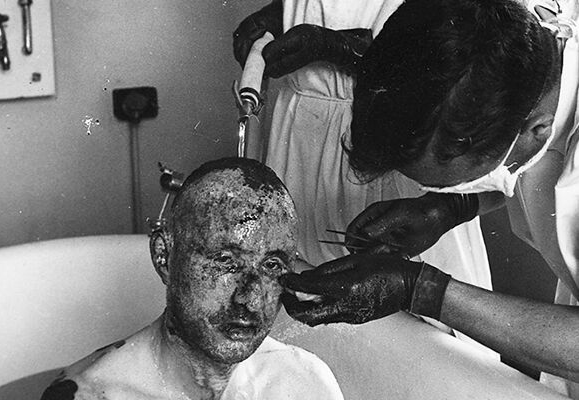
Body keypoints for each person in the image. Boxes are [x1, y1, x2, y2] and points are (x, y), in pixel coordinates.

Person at [280, 0, 579, 396]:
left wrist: (420, 288)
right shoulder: (522, 39)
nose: (447, 191)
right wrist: (446, 208)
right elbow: (520, 167)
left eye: (448, 185)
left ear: (534, 129)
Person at [232, 0, 494, 356]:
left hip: (394, 120)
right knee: (302, 292)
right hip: (302, 123)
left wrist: (336, 46)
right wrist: (284, 12)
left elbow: (463, 42)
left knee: (413, 317)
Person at [39, 158, 343, 400]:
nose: (250, 298)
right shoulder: (89, 394)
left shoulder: (303, 381)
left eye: (272, 265)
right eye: (226, 261)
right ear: (164, 257)